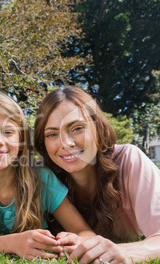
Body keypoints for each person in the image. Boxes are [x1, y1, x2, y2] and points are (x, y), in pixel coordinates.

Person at [0, 92, 96, 260]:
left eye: (8, 132)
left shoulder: (42, 179)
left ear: (21, 141)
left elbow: (85, 232)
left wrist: (76, 240)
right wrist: (14, 243)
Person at [34, 87, 160, 263]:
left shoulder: (129, 160)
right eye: (52, 134)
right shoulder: (44, 181)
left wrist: (124, 251)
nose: (66, 143)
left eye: (77, 128)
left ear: (98, 128)